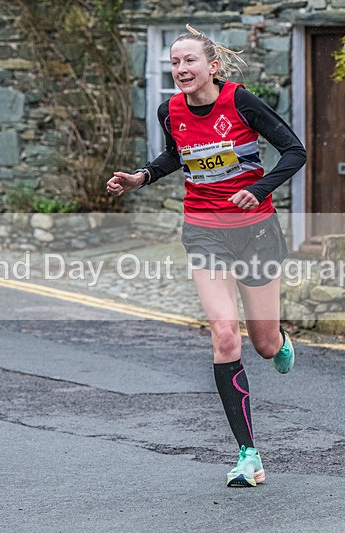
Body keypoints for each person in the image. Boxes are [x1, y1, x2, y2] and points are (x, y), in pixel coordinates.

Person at [107, 26, 307, 487]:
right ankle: (248, 454)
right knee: (224, 335)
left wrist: (256, 191)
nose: (181, 70)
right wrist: (141, 177)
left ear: (212, 66)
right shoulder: (170, 110)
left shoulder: (241, 102)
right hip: (204, 232)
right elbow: (177, 156)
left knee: (263, 345)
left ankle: (279, 336)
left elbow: (294, 151)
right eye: (174, 63)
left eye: (190, 61)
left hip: (255, 230)